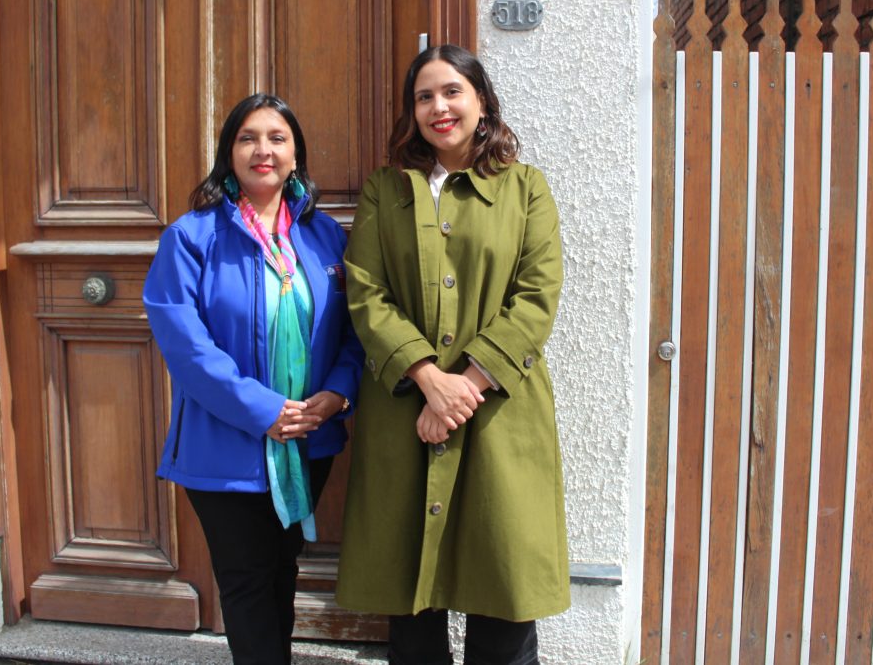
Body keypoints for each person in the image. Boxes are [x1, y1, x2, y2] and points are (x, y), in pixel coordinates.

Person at [335, 44, 569, 665]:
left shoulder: (525, 188)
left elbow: (537, 295)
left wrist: (463, 386)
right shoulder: (386, 190)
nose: (438, 107)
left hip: (499, 415)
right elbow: (366, 292)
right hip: (403, 412)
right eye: (424, 97)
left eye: (452, 92)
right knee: (411, 605)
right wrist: (428, 378)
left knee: (503, 594)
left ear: (481, 102)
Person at [143, 93, 362, 665]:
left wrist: (337, 395)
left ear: (296, 155)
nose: (263, 149)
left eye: (276, 138)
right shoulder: (191, 238)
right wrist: (263, 410)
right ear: (229, 153)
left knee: (282, 570)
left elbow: (354, 331)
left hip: (308, 437)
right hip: (225, 444)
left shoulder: (326, 237)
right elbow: (186, 347)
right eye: (247, 138)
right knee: (245, 582)